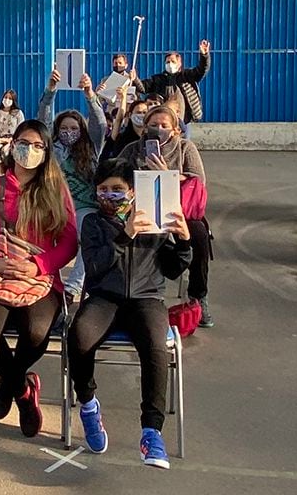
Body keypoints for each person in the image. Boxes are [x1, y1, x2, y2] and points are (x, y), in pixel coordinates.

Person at [69, 158, 192, 470]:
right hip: (104, 297)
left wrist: (183, 239)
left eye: (117, 190)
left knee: (155, 347)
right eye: (103, 190)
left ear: (133, 192)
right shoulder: (93, 223)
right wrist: (124, 234)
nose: (110, 196)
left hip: (145, 299)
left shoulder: (153, 220)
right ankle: (88, 404)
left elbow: (174, 268)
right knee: (79, 335)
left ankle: (152, 432)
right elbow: (95, 267)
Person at [0, 120, 77, 438]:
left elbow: (69, 242)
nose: (30, 151)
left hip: (39, 280)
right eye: (24, 143)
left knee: (37, 332)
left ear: (46, 153)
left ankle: (6, 388)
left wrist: (39, 265)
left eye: (38, 146)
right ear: (12, 145)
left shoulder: (56, 190)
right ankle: (24, 393)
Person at [117, 106, 213, 327]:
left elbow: (198, 180)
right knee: (117, 229)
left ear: (175, 129)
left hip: (176, 209)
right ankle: (124, 290)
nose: (158, 129)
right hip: (139, 207)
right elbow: (116, 174)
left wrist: (169, 174)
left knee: (198, 236)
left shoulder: (184, 148)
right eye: (153, 125)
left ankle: (198, 295)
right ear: (144, 127)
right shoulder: (133, 149)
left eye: (164, 126)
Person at [38, 68, 107, 301]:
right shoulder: (52, 149)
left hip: (85, 207)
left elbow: (100, 123)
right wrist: (50, 91)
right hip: (55, 205)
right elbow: (43, 119)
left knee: (89, 239)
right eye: (64, 128)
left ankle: (72, 289)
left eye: (74, 128)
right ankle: (48, 282)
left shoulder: (91, 148)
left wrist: (90, 94)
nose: (69, 133)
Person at [139, 41, 211, 125]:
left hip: (185, 120)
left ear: (179, 64)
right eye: (167, 62)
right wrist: (134, 79)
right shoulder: (157, 79)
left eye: (173, 61)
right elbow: (142, 87)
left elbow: (202, 69)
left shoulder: (186, 76)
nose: (170, 64)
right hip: (164, 119)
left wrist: (204, 56)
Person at [0, 83, 26, 153]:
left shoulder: (18, 113)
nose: (7, 100)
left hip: (12, 140)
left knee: (6, 151)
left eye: (10, 98)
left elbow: (21, 130)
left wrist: (12, 140)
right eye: (5, 97)